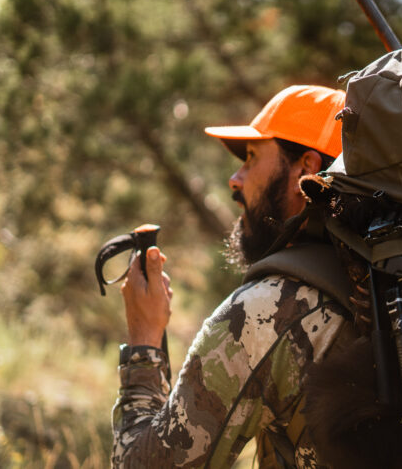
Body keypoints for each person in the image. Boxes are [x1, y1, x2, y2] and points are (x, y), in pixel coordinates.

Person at [111, 85, 351, 468]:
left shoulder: (268, 311)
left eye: (253, 157)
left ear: (306, 168)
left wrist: (144, 341)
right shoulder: (389, 281)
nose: (235, 179)